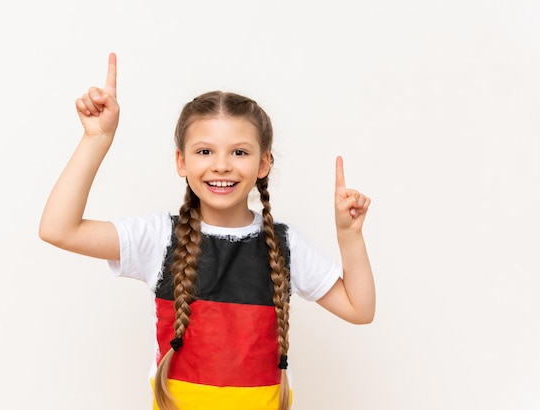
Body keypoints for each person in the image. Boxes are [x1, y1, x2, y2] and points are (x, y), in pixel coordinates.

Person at [39, 53, 376, 410]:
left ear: (264, 163)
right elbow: (58, 229)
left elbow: (360, 308)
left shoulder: (284, 244)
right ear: (181, 161)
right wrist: (97, 138)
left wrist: (349, 234)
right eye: (204, 151)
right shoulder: (158, 238)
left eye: (240, 152)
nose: (221, 165)